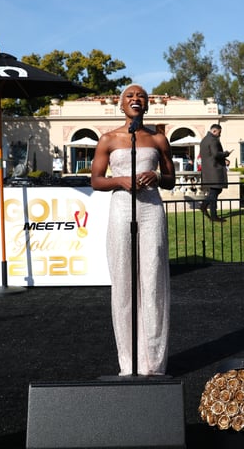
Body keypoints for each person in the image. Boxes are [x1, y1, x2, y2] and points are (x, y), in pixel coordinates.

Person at [91, 83, 175, 376]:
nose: (135, 99)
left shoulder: (158, 139)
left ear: (147, 105)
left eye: (141, 96)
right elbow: (96, 181)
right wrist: (121, 181)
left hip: (151, 210)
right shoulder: (108, 139)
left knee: (152, 282)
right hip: (121, 210)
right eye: (130, 95)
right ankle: (128, 363)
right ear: (121, 103)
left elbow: (171, 179)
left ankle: (153, 361)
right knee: (124, 283)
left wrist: (156, 176)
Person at [199, 124, 231, 222]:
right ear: (214, 131)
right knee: (214, 192)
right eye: (219, 132)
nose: (220, 135)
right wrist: (226, 153)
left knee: (215, 192)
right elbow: (216, 154)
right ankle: (207, 209)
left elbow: (211, 155)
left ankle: (209, 211)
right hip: (214, 170)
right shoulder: (213, 140)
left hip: (208, 170)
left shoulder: (204, 140)